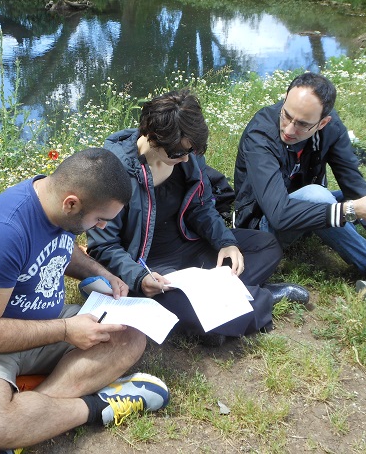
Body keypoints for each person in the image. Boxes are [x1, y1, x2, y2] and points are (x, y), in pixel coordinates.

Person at [0, 148, 170, 453]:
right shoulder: (1, 233)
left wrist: (102, 273)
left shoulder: (56, 205)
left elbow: (62, 249)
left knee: (130, 335)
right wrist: (67, 330)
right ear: (71, 203)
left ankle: (26, 418)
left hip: (44, 322)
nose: (103, 227)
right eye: (99, 219)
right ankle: (99, 407)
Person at [87, 90, 309, 348]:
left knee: (266, 246)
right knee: (179, 304)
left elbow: (200, 207)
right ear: (152, 137)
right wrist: (139, 278)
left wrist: (225, 242)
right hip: (150, 265)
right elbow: (104, 246)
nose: (185, 158)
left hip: (190, 246)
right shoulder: (112, 172)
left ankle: (216, 311)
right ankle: (260, 298)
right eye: (178, 153)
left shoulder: (187, 153)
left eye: (190, 151)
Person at [233, 72, 366, 328]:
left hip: (315, 212)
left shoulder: (331, 128)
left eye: (303, 124)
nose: (289, 129)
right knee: (316, 195)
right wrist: (353, 210)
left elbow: (354, 187)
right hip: (265, 224)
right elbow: (279, 213)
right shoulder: (260, 134)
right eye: (286, 115)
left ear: (323, 122)